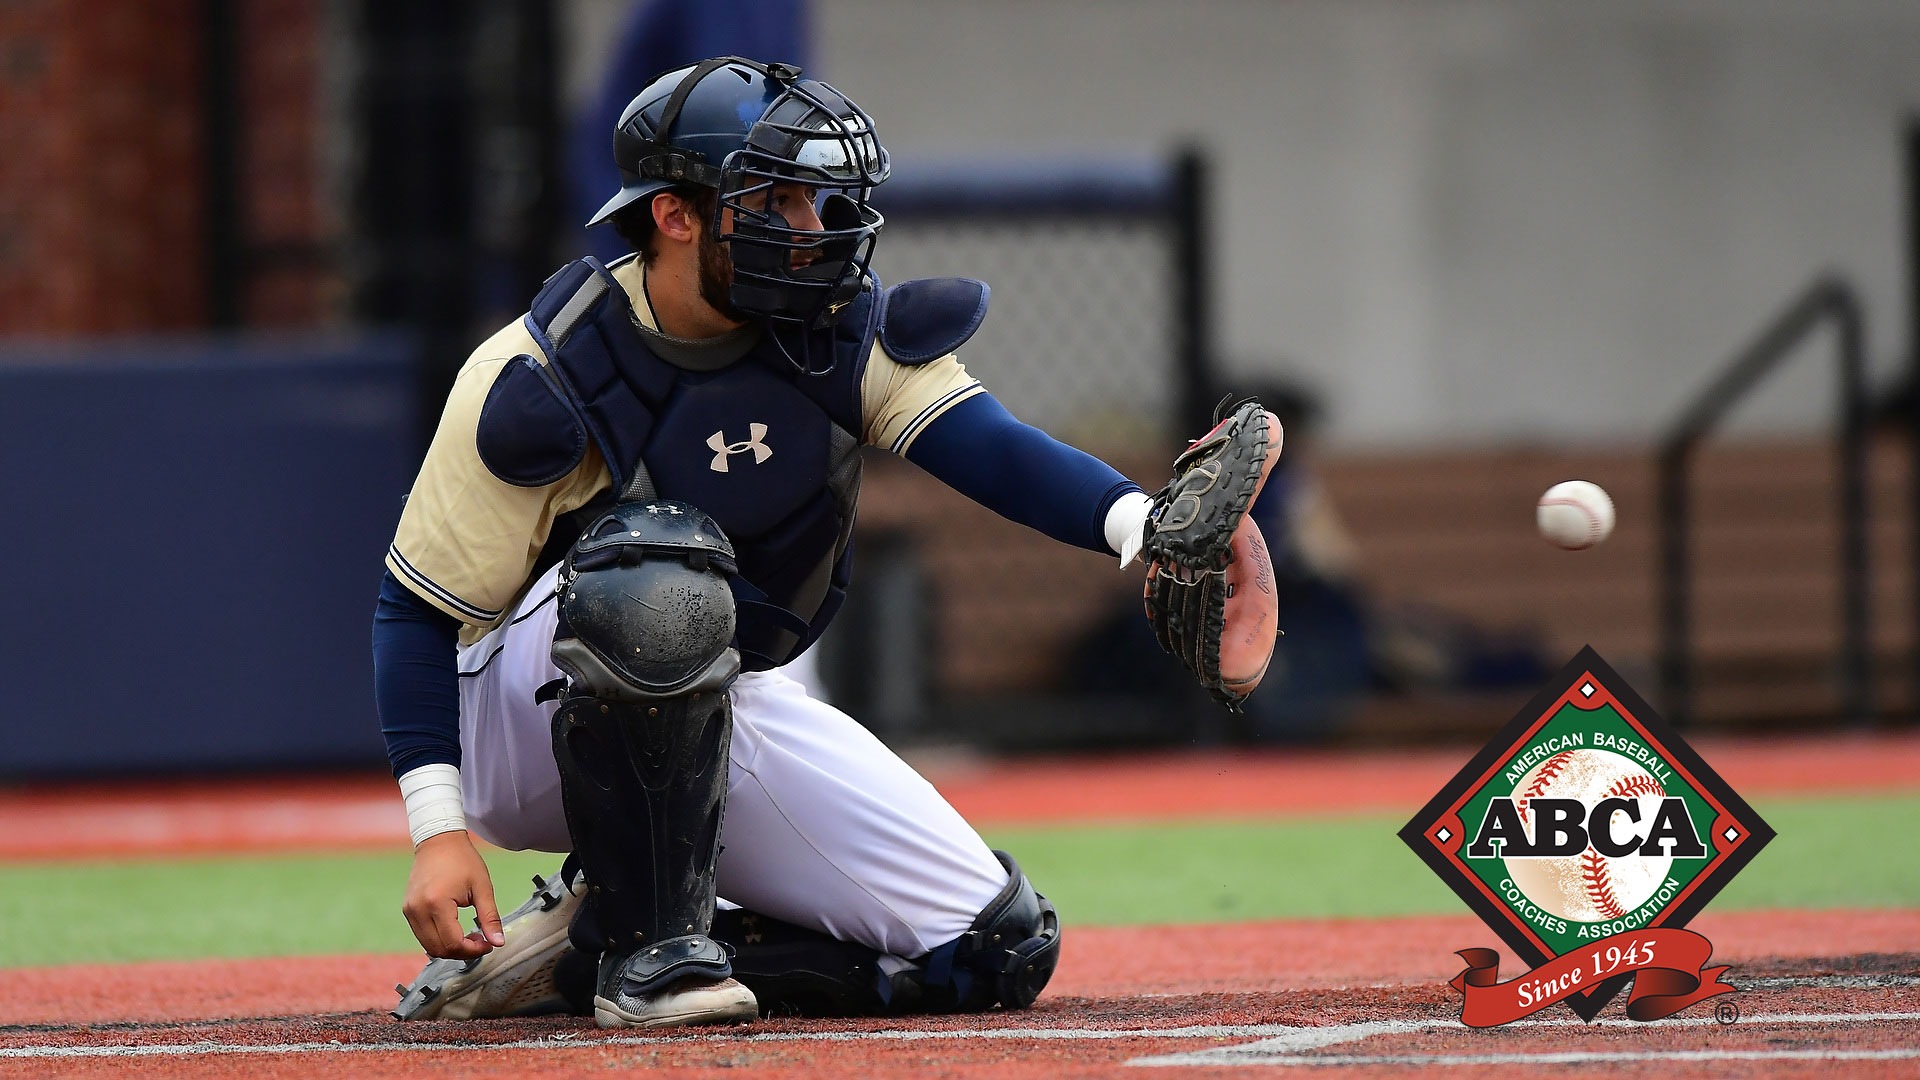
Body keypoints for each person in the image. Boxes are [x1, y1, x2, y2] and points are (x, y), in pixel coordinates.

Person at [373, 57, 1168, 1030]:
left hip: (726, 689)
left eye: (815, 197)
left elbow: (992, 449)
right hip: (522, 719)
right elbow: (414, 612)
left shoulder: (836, 331)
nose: (808, 226)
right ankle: (648, 960)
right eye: (773, 198)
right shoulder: (542, 366)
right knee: (657, 575)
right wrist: (438, 830)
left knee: (991, 949)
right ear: (675, 215)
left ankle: (584, 947)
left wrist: (1149, 528)